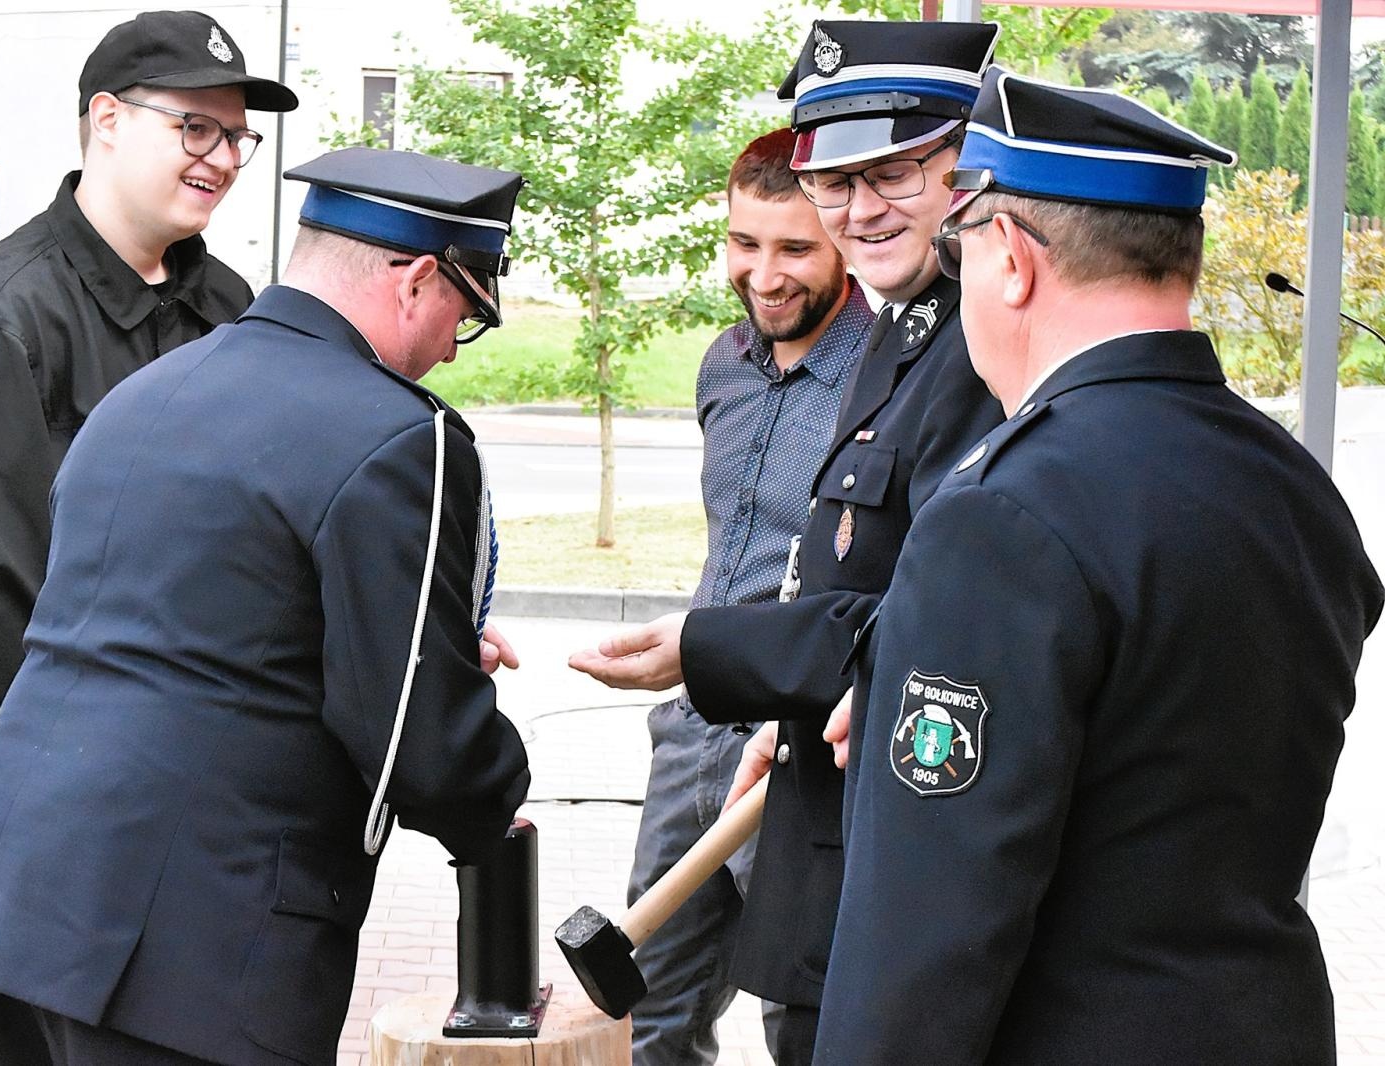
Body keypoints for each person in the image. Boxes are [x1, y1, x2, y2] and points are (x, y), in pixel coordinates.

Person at [813, 69, 1384, 1065]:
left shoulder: (998, 515)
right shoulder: (1292, 484)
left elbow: (926, 932)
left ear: (1012, 259)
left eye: (959, 247)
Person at [0, 147, 534, 1066]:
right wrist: (491, 792)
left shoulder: (143, 393)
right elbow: (424, 741)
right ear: (416, 280)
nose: (452, 346)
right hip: (192, 956)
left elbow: (207, 623)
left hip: (11, 913)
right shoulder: (402, 436)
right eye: (464, 313)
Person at [569, 21, 1003, 1063]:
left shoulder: (966, 340)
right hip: (750, 733)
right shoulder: (793, 353)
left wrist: (735, 660)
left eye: (891, 173)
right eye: (834, 182)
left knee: (813, 1022)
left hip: (867, 761)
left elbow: (953, 609)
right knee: (664, 1017)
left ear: (967, 170)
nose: (857, 211)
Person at [0, 9, 297, 807]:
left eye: (236, 138)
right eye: (195, 129)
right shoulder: (4, 323)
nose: (222, 159)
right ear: (108, 119)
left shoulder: (228, 303)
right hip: (69, 784)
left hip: (215, 759)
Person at [626, 128, 873, 1066]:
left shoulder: (887, 376)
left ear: (845, 241)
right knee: (649, 1010)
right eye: (745, 243)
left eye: (795, 249)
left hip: (806, 739)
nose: (765, 275)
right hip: (695, 728)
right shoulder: (722, 362)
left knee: (802, 1021)